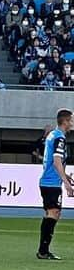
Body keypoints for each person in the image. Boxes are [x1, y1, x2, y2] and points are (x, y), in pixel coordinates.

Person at [38, 109, 74, 260]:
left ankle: (43, 249)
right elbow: (57, 160)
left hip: (48, 180)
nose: (72, 123)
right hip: (51, 182)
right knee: (53, 213)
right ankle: (43, 251)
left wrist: (65, 175)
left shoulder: (52, 134)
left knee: (53, 213)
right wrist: (66, 183)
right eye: (71, 120)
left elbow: (53, 161)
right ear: (65, 121)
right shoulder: (59, 138)